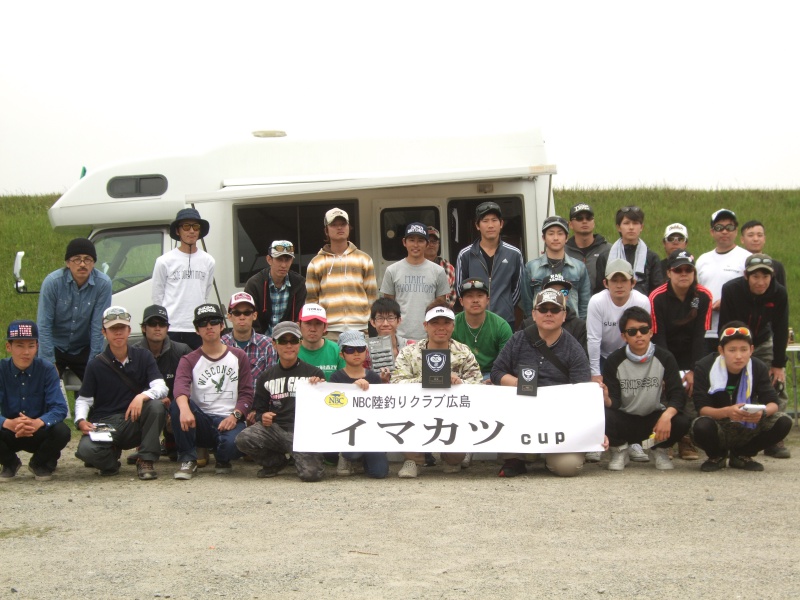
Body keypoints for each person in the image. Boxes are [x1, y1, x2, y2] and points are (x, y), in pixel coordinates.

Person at [491, 289, 594, 478]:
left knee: (567, 467)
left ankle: (549, 456)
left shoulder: (574, 348)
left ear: (564, 316)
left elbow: (582, 390)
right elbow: (497, 373)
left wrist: (594, 431)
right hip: (523, 411)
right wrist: (522, 384)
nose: (548, 313)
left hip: (560, 418)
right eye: (543, 309)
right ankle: (517, 458)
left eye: (555, 310)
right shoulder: (518, 339)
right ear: (533, 314)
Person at [391, 300, 483, 478]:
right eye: (435, 323)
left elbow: (477, 385)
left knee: (454, 462)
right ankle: (413, 459)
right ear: (425, 325)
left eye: (446, 323)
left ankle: (451, 457)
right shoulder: (409, 352)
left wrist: (460, 384)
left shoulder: (463, 352)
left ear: (453, 325)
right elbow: (396, 384)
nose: (441, 328)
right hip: (417, 409)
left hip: (453, 412)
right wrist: (427, 380)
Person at [74, 307, 168, 480]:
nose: (118, 333)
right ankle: (110, 461)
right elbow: (84, 399)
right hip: (105, 422)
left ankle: (146, 459)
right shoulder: (95, 365)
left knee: (156, 405)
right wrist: (80, 420)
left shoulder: (144, 356)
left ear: (129, 331)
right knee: (86, 451)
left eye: (122, 328)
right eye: (113, 329)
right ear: (104, 332)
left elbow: (161, 387)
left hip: (134, 419)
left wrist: (142, 396)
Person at [691, 323, 792, 472]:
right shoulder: (704, 366)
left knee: (783, 421)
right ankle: (716, 456)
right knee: (701, 425)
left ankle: (743, 455)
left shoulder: (758, 367)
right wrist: (727, 411)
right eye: (732, 350)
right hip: (718, 423)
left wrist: (761, 413)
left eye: (744, 350)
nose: (738, 356)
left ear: (751, 350)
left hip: (747, 422)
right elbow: (702, 408)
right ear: (721, 350)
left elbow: (773, 402)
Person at [718, 253, 790, 459]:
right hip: (735, 340)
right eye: (755, 276)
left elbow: (781, 328)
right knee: (729, 381)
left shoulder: (779, 293)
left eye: (765, 277)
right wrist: (730, 352)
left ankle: (774, 436)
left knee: (776, 384)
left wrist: (778, 364)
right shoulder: (731, 290)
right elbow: (725, 324)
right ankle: (725, 427)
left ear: (772, 276)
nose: (761, 282)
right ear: (746, 275)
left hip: (762, 340)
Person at [602, 307, 691, 471]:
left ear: (650, 332)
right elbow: (614, 402)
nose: (639, 335)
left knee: (681, 419)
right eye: (632, 331)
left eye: (643, 330)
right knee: (602, 414)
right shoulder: (613, 360)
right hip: (625, 418)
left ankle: (660, 449)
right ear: (624, 336)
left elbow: (677, 394)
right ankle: (620, 450)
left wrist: (666, 416)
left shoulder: (665, 357)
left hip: (654, 419)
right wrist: (606, 398)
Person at [235, 321, 326, 481]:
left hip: (303, 433)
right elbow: (258, 411)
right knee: (243, 438)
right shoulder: (265, 377)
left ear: (300, 343)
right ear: (274, 344)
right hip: (276, 430)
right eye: (283, 341)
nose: (289, 345)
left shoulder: (314, 373)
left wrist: (320, 387)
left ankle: (298, 457)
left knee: (311, 475)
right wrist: (262, 417)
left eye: (293, 341)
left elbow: (325, 408)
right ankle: (275, 462)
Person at [171, 304, 254, 479]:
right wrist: (185, 409)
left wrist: (235, 416)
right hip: (200, 420)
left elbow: (247, 392)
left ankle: (222, 458)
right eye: (203, 323)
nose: (209, 326)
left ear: (222, 325)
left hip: (229, 418)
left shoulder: (239, 356)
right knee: (178, 405)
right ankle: (188, 459)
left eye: (214, 321)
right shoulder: (189, 359)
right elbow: (180, 387)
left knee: (237, 443)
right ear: (196, 330)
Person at [649, 250, 712, 460]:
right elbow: (658, 337)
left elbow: (700, 337)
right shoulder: (657, 297)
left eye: (688, 270)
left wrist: (695, 370)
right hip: (665, 351)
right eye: (678, 270)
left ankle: (687, 439)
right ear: (669, 272)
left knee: (692, 391)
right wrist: (669, 372)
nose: (683, 274)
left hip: (692, 352)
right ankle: (666, 440)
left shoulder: (703, 296)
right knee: (667, 391)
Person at [586, 259, 651, 463]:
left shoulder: (642, 301)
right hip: (604, 355)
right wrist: (595, 372)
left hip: (631, 354)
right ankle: (595, 441)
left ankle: (635, 442)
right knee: (598, 397)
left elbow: (644, 336)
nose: (619, 285)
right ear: (606, 283)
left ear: (633, 282)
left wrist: (641, 363)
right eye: (615, 280)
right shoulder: (597, 301)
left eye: (624, 280)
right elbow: (594, 339)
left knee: (634, 395)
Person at [0, 320, 70, 481]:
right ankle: (9, 462)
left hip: (38, 430)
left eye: (31, 346)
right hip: (11, 429)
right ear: (8, 347)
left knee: (62, 431)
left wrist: (38, 422)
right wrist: (7, 423)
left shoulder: (47, 369)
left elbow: (59, 407)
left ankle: (39, 462)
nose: (26, 352)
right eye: (20, 345)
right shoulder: (1, 370)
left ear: (37, 347)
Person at [37, 237, 113, 380]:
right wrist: (49, 361)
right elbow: (43, 324)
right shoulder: (52, 282)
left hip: (83, 347)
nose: (82, 264)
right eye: (77, 259)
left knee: (99, 383)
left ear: (93, 263)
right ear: (67, 263)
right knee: (41, 384)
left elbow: (98, 326)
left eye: (87, 259)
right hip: (55, 346)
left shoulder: (103, 284)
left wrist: (94, 363)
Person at [126, 305, 192, 464]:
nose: (157, 328)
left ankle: (173, 445)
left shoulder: (183, 350)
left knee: (178, 410)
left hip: (175, 403)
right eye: (152, 324)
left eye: (162, 324)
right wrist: (153, 400)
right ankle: (144, 447)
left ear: (168, 328)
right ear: (143, 328)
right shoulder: (132, 352)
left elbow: (192, 384)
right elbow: (128, 386)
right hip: (146, 405)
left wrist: (173, 404)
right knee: (153, 407)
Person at [305, 207, 378, 339]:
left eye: (343, 224)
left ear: (349, 227)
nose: (339, 228)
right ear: (326, 230)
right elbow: (311, 301)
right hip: (328, 330)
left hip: (359, 328)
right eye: (334, 225)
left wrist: (371, 325)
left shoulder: (364, 259)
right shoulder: (316, 262)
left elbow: (372, 297)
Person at [151, 208, 215, 349]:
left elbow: (205, 292)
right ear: (178, 231)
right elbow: (157, 296)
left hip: (198, 327)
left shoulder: (209, 261)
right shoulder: (164, 261)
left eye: (195, 226)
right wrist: (162, 324)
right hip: (172, 327)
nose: (191, 231)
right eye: (186, 226)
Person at [455, 201, 525, 329]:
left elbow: (517, 289)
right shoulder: (465, 255)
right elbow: (460, 289)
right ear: (477, 225)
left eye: (494, 220)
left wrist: (506, 305)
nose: (490, 225)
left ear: (501, 224)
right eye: (485, 221)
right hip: (474, 321)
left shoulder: (514, 254)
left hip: (504, 320)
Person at [330, 330, 389, 479]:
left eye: (361, 349)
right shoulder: (336, 377)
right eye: (350, 349)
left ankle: (362, 460)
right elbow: (332, 408)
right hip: (347, 430)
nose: (356, 353)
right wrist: (353, 390)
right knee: (352, 452)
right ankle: (346, 457)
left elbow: (380, 408)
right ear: (342, 354)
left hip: (370, 432)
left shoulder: (374, 377)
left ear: (366, 351)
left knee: (379, 472)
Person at [380, 222, 450, 341]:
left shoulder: (438, 271)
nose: (416, 245)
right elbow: (388, 309)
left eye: (421, 240)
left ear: (427, 244)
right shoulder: (392, 270)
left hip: (429, 337)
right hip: (400, 338)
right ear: (404, 242)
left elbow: (440, 307)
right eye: (411, 240)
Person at [695, 208, 751, 355]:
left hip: (734, 330)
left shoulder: (745, 258)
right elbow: (695, 291)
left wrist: (727, 302)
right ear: (712, 232)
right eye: (719, 228)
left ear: (736, 231)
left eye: (729, 227)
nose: (724, 232)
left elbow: (753, 292)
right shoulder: (702, 260)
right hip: (706, 331)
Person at [522, 215, 591, 320]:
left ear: (566, 238)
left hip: (571, 326)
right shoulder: (531, 267)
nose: (555, 238)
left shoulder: (579, 267)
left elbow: (584, 304)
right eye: (551, 233)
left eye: (560, 233)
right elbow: (527, 304)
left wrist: (579, 326)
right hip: (542, 325)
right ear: (543, 237)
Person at [452, 278, 513, 378]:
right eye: (469, 296)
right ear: (461, 301)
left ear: (487, 300)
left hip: (492, 373)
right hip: (461, 374)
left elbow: (506, 363)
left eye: (480, 296)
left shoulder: (501, 326)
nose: (475, 300)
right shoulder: (452, 325)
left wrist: (496, 378)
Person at [595, 206, 662, 296]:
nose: (631, 227)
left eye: (635, 223)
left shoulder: (651, 257)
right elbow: (600, 290)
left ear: (641, 227)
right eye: (626, 223)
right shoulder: (605, 257)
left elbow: (656, 291)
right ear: (618, 227)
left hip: (642, 307)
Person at [244, 240, 307, 336]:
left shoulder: (299, 283)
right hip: (260, 340)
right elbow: (250, 318)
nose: (283, 265)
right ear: (269, 260)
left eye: (287, 260)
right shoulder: (254, 284)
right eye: (279, 259)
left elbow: (299, 318)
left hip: (289, 339)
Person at [519, 274, 587, 354]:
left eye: (563, 292)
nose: (558, 295)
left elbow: (582, 360)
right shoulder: (527, 325)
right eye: (552, 291)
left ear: (567, 296)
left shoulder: (579, 326)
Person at [222, 292, 277, 386]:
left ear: (254, 315)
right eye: (237, 313)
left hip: (258, 400)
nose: (242, 317)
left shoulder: (268, 344)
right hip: (228, 400)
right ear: (229, 317)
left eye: (247, 313)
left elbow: (271, 382)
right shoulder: (221, 344)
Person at [564, 203, 611, 295]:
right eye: (579, 218)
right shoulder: (563, 251)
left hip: (600, 305)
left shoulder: (608, 250)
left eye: (588, 218)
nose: (584, 221)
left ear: (593, 222)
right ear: (570, 225)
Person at [297, 303, 345, 381]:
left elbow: (345, 381)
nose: (313, 329)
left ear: (325, 327)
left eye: (318, 323)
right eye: (308, 323)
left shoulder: (336, 350)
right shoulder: (291, 350)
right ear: (299, 326)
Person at [739, 220, 786, 288]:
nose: (755, 239)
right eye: (750, 235)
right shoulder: (736, 263)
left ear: (764, 239)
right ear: (742, 239)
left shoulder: (776, 266)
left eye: (759, 235)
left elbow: (781, 294)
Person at [424, 226, 457, 307]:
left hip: (442, 314)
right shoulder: (415, 265)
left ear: (438, 244)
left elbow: (452, 295)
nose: (431, 245)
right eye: (428, 241)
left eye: (434, 241)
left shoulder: (449, 267)